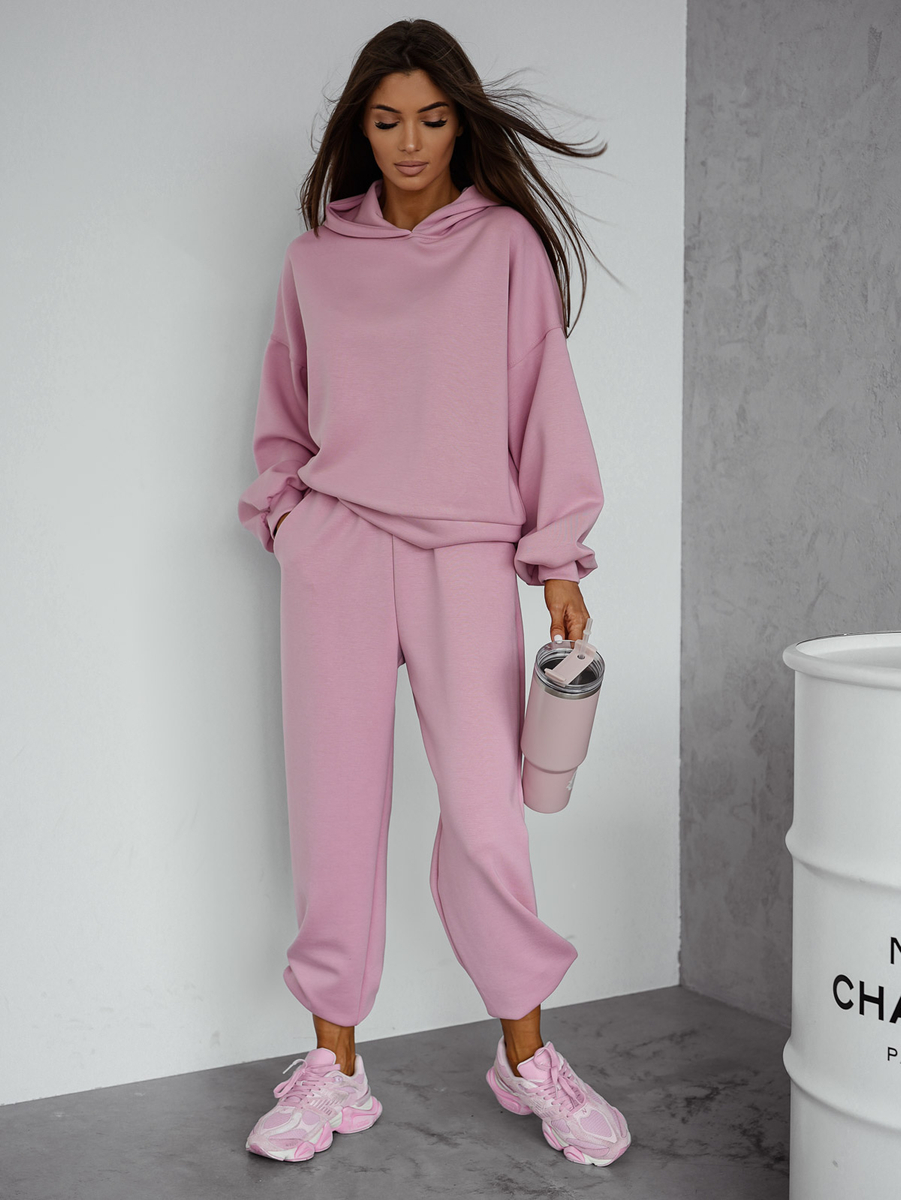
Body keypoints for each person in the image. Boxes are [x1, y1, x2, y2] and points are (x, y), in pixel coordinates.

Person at [236, 18, 631, 1170]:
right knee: (333, 813)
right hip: (339, 557)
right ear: (358, 129)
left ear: (461, 122)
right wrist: (288, 521)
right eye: (386, 120)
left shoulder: (503, 246)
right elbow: (282, 416)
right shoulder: (316, 260)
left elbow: (542, 401)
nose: (409, 142)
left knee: (485, 816)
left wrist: (556, 563)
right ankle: (334, 1067)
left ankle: (526, 1057)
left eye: (431, 118)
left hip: (464, 555)